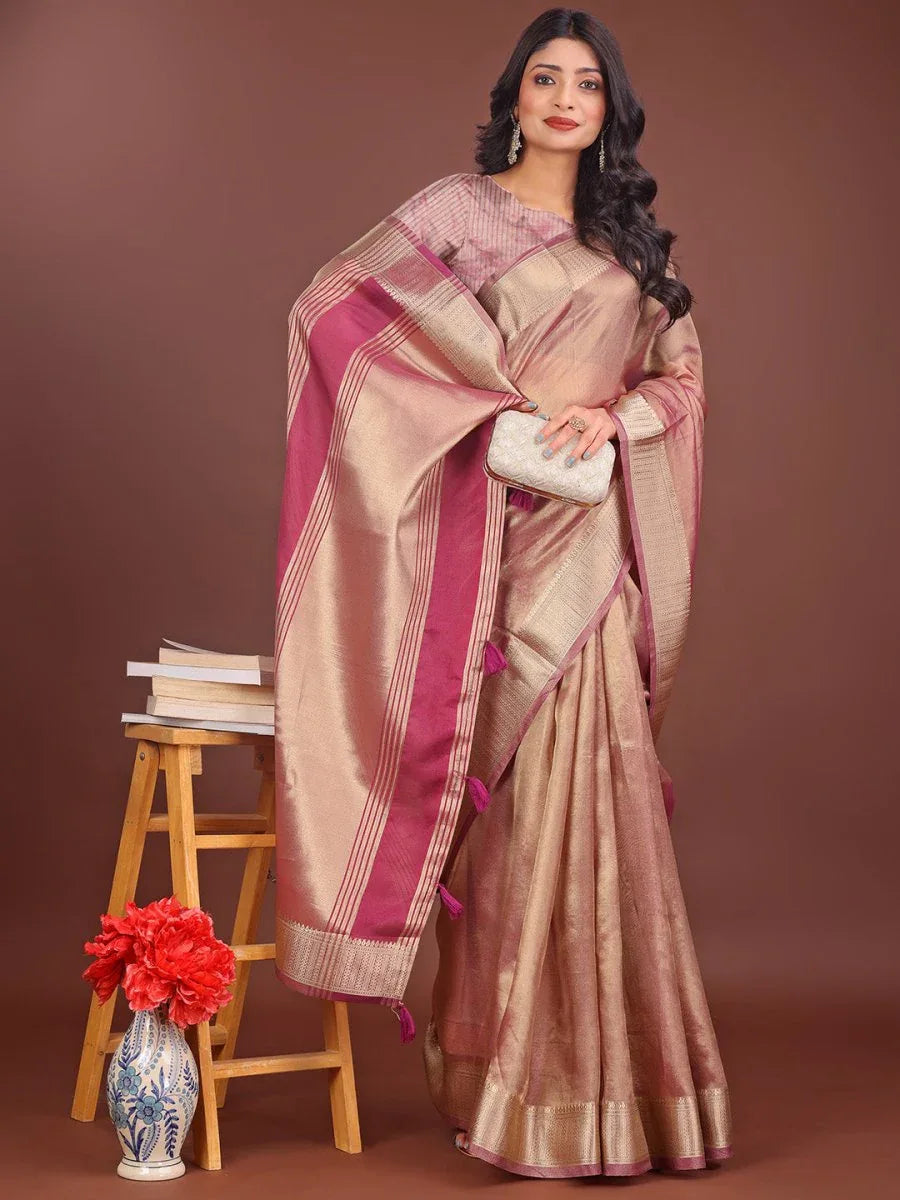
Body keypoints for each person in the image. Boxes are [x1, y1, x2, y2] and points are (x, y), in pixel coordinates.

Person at [273, 6, 732, 1180]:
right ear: (514, 98)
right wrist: (494, 411)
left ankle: (607, 1096)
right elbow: (336, 311)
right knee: (505, 826)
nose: (565, 100)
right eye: (546, 79)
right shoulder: (455, 215)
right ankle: (505, 1079)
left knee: (599, 803)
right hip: (486, 547)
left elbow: (680, 383)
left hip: (590, 550)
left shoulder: (634, 247)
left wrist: (616, 418)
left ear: (610, 107)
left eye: (587, 83)